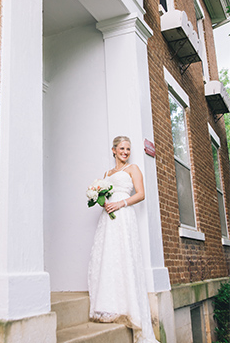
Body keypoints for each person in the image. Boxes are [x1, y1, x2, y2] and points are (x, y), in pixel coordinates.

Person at [88, 136, 159, 343]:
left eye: (128, 149)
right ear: (113, 150)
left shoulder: (133, 169)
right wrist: (100, 200)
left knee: (124, 255)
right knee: (109, 256)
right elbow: (105, 195)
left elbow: (141, 194)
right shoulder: (106, 174)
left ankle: (131, 308)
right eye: (121, 148)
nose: (125, 152)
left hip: (124, 216)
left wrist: (120, 204)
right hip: (108, 219)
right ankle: (111, 305)